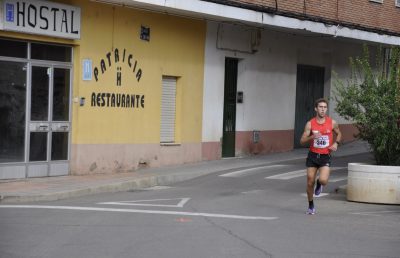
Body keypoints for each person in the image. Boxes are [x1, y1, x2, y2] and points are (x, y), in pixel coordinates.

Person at [300, 98, 342, 215]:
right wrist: (312, 137)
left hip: (325, 156)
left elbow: (339, 133)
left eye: (325, 107)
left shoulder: (332, 122)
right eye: (320, 107)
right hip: (313, 155)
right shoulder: (310, 123)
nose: (323, 110)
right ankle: (311, 205)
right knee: (309, 182)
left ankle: (319, 184)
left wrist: (336, 143)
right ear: (316, 109)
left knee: (323, 180)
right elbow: (302, 141)